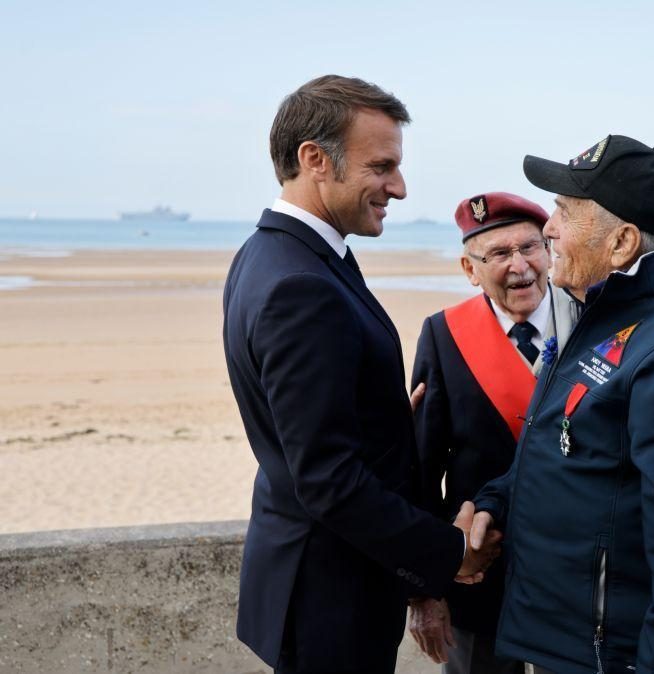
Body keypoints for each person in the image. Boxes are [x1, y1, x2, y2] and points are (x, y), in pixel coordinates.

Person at [222, 75, 499, 674]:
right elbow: (325, 476)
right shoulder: (301, 284)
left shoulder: (270, 254)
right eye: (382, 167)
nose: (398, 188)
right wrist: (449, 554)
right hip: (330, 596)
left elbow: (309, 428)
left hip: (318, 581)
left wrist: (385, 420)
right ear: (315, 159)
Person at [469, 135, 654, 674]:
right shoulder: (607, 313)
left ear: (622, 242)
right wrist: (498, 501)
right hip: (567, 644)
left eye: (565, 212)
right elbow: (573, 451)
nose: (549, 230)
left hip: (617, 658)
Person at [408, 192, 580, 672]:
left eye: (530, 248)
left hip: (576, 573)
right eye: (499, 254)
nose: (520, 266)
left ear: (550, 251)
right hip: (478, 574)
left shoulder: (591, 322)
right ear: (470, 268)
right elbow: (423, 469)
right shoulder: (444, 334)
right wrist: (426, 589)